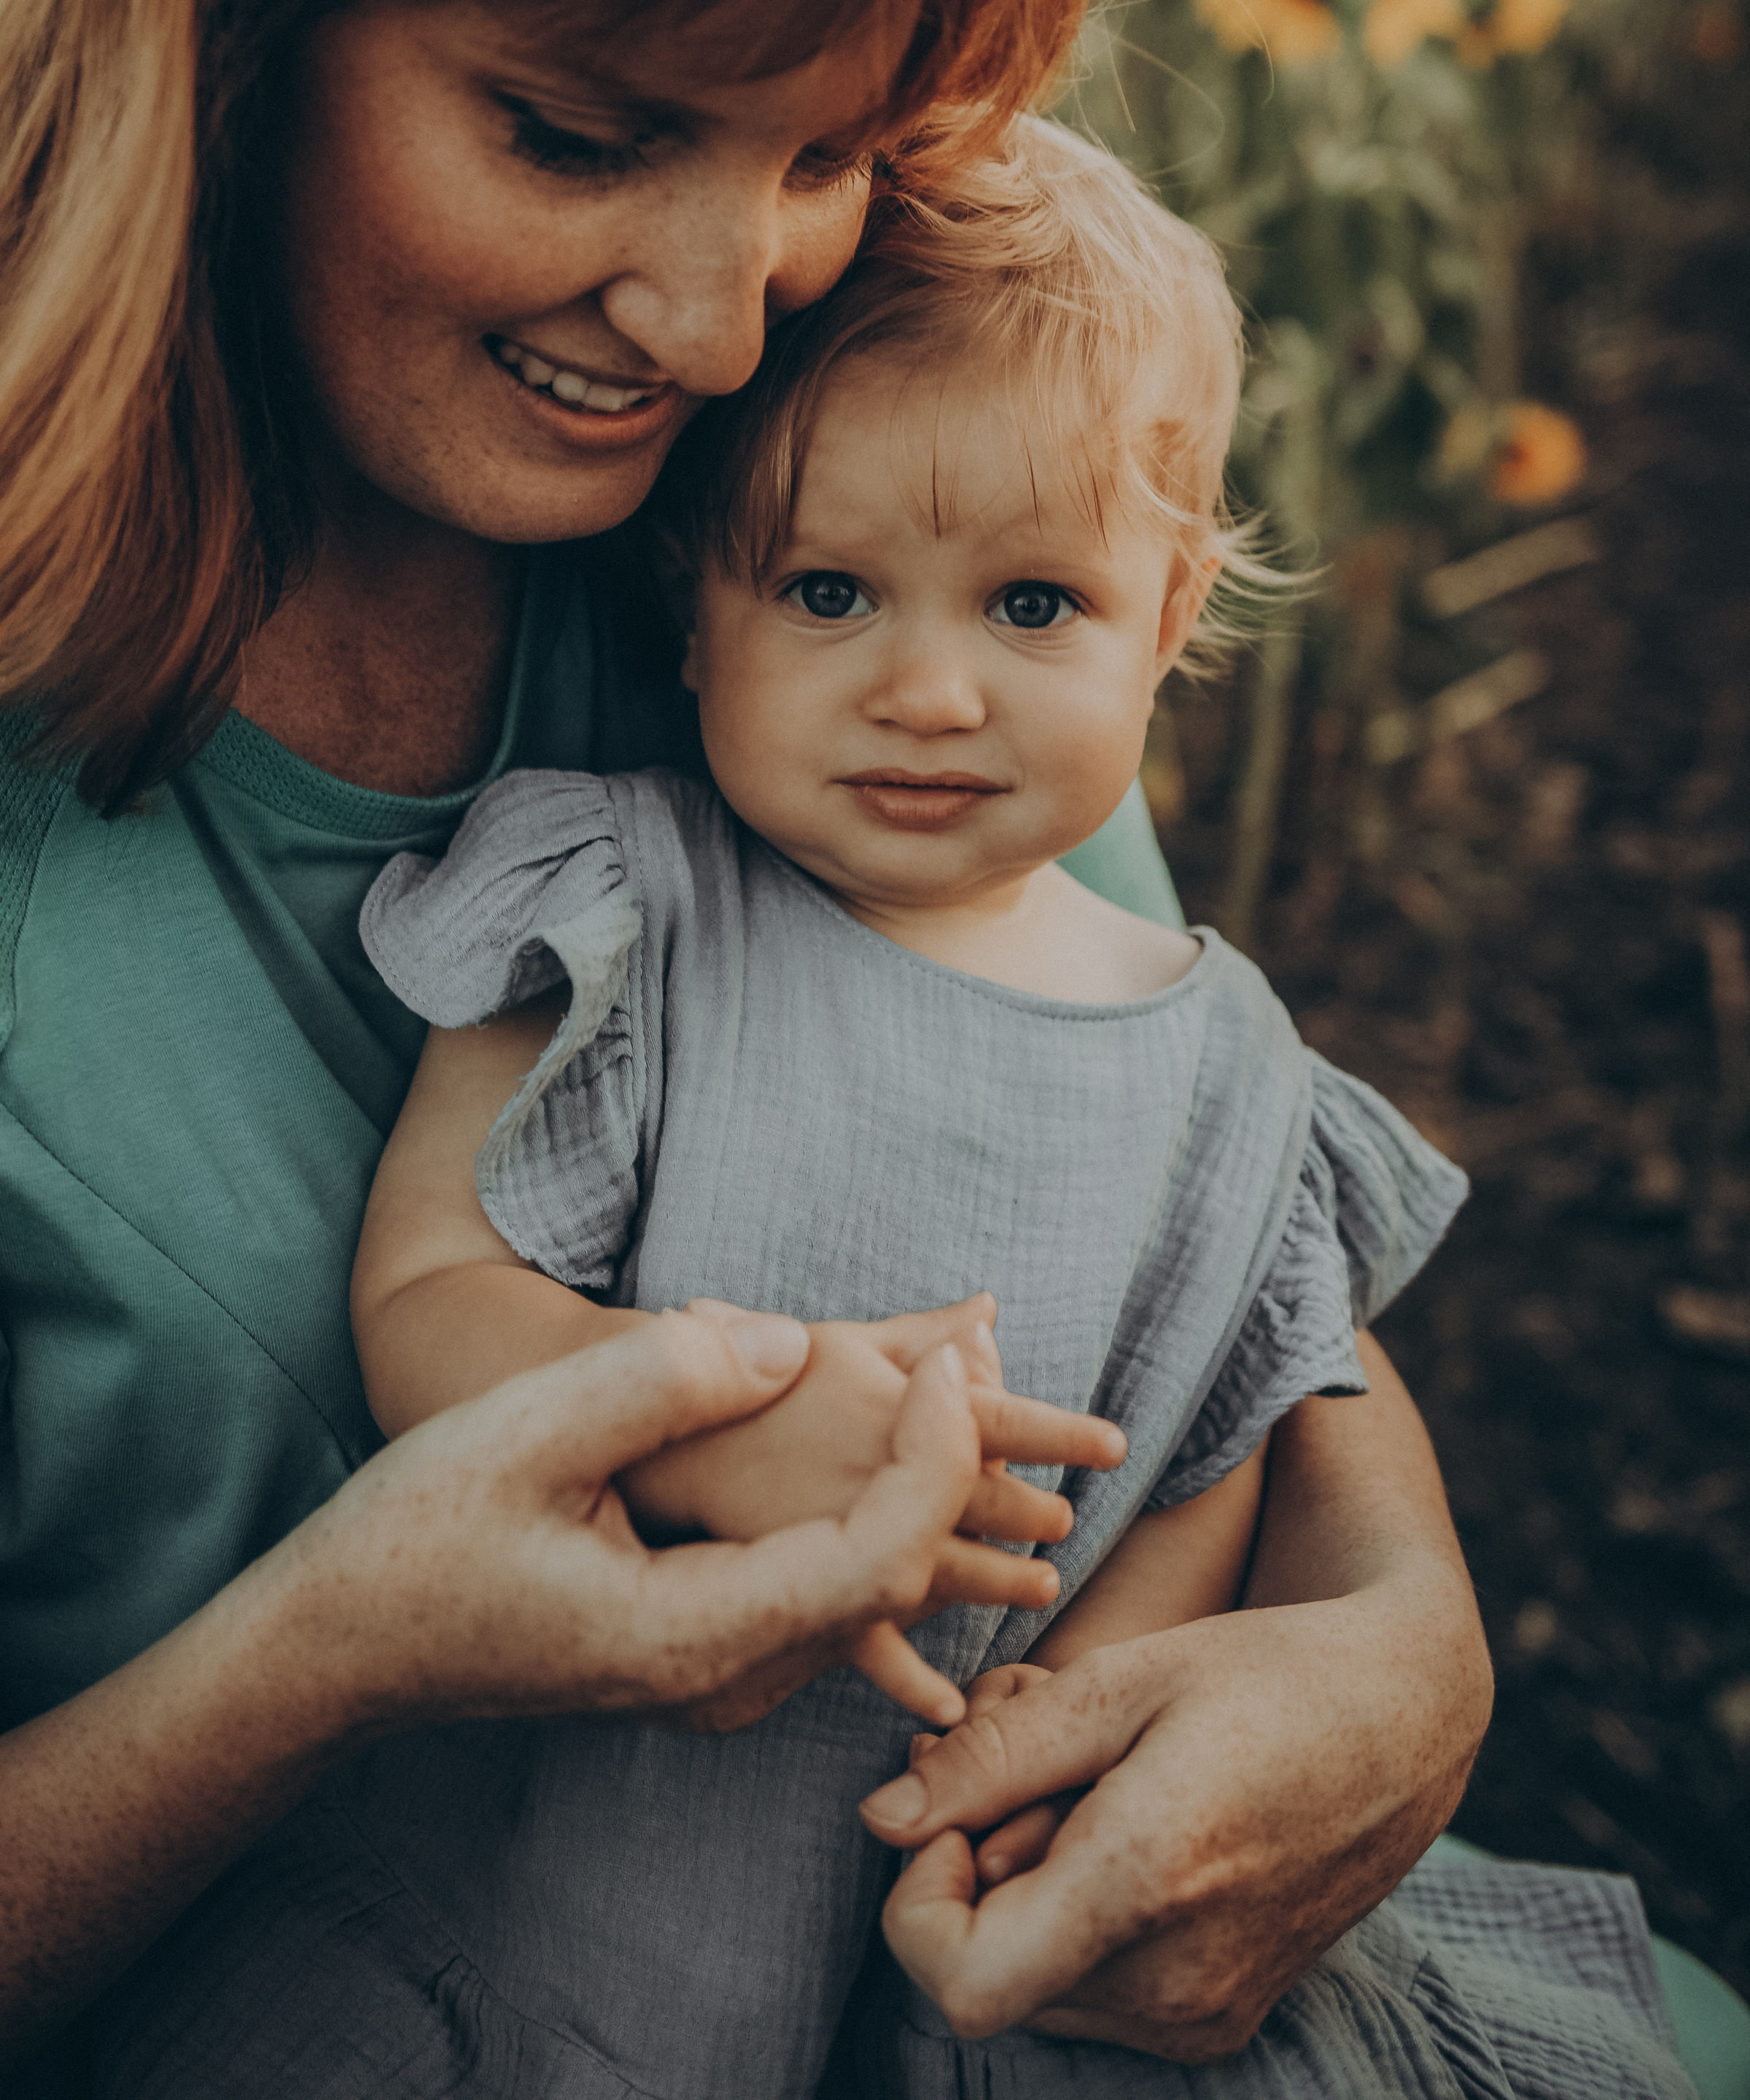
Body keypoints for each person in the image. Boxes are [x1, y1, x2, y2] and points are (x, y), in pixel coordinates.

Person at [0, 0, 1495, 2090]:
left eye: (820, 152)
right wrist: (326, 1655)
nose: (714, 324)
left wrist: (1406, 1656)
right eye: (575, 134)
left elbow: (1171, 1166)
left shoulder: (842, 496)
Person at [90, 120, 1693, 2100]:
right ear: (693, 616)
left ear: (1171, 617)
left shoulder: (1234, 1075)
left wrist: (1073, 1776)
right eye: (833, 592)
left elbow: (1203, 1470)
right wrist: (708, 1415)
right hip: (537, 1919)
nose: (932, 693)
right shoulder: (616, 901)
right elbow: (431, 1291)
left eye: (1032, 609)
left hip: (962, 1953)